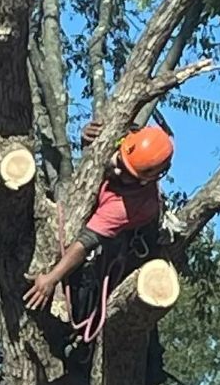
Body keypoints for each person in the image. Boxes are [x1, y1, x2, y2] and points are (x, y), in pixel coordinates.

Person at [24, 121, 174, 328]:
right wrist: (88, 139)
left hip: (113, 255)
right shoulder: (135, 139)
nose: (117, 170)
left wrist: (51, 278)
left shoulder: (129, 206)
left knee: (85, 294)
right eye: (119, 161)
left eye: (128, 174)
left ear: (144, 181)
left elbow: (86, 242)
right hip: (88, 212)